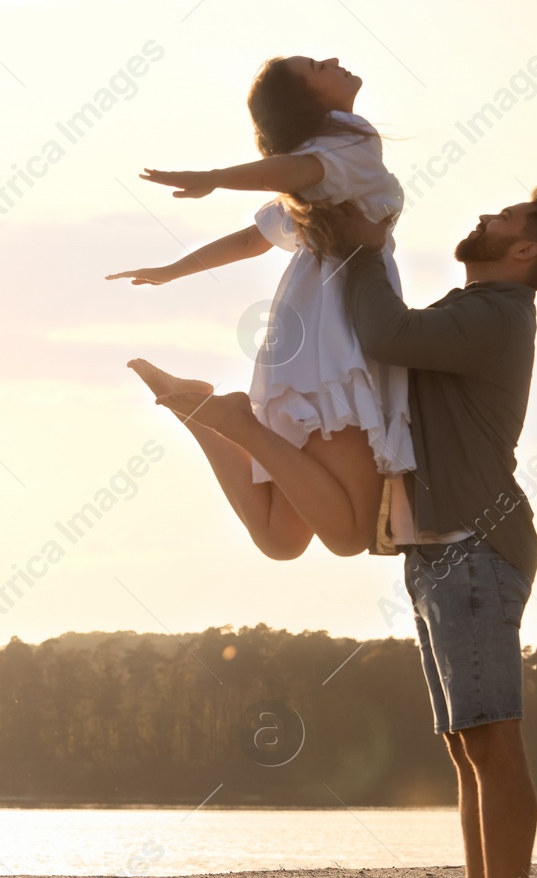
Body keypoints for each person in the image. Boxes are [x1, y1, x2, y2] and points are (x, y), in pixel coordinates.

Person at [329, 190, 537, 878]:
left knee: (494, 744)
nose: (489, 217)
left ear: (525, 255)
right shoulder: (478, 306)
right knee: (469, 746)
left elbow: (383, 332)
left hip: (475, 547)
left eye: (508, 219)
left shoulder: (498, 313)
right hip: (441, 547)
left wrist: (364, 245)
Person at [106, 54, 410, 560]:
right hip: (335, 353)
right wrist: (214, 181)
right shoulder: (351, 146)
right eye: (316, 66)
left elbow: (254, 238)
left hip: (304, 349)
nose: (332, 60)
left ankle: (200, 413)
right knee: (350, 535)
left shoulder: (329, 169)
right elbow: (285, 185)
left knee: (279, 539)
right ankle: (235, 421)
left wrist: (171, 270)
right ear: (308, 100)